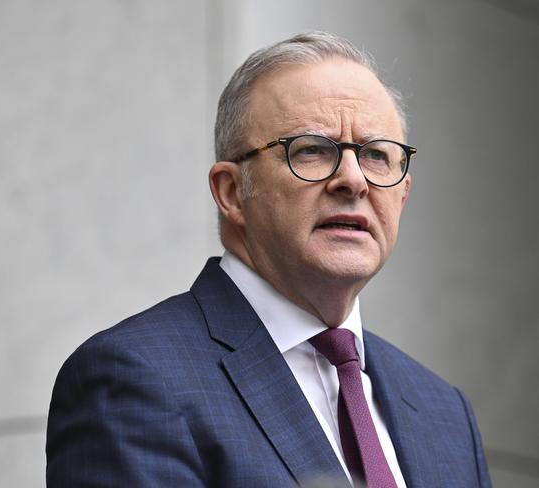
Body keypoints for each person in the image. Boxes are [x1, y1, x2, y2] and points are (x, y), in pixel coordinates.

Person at [46, 32, 491, 487]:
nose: (354, 180)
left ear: (403, 195)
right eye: (313, 150)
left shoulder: (445, 414)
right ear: (232, 192)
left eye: (377, 155)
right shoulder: (133, 378)